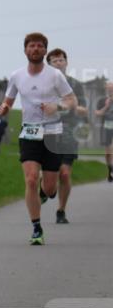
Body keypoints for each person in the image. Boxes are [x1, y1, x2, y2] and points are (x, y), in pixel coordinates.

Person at [0, 33, 77, 245]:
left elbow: (72, 101)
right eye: (31, 46)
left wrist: (57, 106)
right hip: (29, 133)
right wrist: (4, 108)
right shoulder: (17, 76)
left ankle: (44, 192)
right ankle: (36, 228)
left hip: (53, 133)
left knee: (50, 188)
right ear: (25, 50)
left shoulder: (55, 76)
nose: (35, 49)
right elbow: (8, 100)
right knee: (31, 178)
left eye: (40, 46)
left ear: (44, 51)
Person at [44, 49, 88, 223]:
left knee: (64, 174)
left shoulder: (75, 85)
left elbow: (83, 110)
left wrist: (68, 107)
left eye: (61, 60)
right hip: (47, 129)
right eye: (54, 61)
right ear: (49, 65)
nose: (59, 63)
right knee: (48, 174)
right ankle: (47, 190)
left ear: (66, 63)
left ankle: (61, 211)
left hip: (68, 130)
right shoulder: (42, 84)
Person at [98, 81, 113, 182]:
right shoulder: (101, 100)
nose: (110, 90)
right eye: (109, 88)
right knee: (108, 152)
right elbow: (97, 113)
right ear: (106, 89)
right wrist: (106, 106)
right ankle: (110, 170)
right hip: (106, 127)